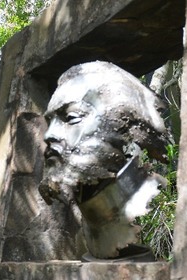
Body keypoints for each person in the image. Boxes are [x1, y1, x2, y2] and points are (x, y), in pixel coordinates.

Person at [38, 61, 173, 259]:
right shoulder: (86, 201)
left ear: (124, 121)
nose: (49, 135)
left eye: (72, 117)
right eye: (51, 122)